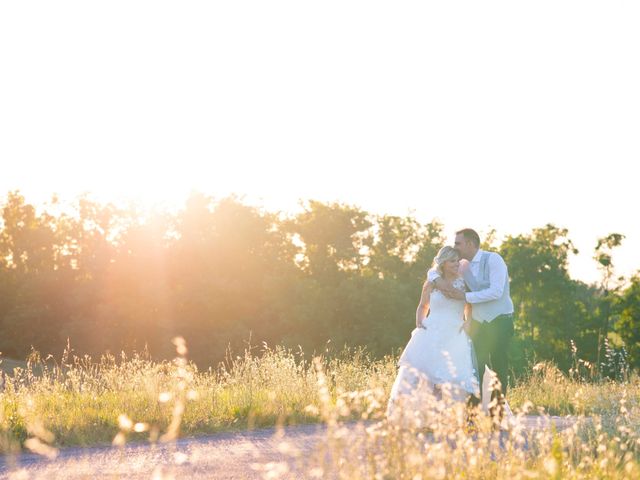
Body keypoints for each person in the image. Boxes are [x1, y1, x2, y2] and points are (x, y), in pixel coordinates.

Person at [429, 229, 514, 415]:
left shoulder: (494, 260)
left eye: (458, 243)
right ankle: (473, 416)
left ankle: (496, 416)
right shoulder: (462, 265)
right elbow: (436, 269)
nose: (455, 247)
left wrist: (465, 295)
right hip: (477, 323)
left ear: (470, 243)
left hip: (500, 321)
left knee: (499, 367)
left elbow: (496, 292)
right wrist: (435, 277)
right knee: (473, 369)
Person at [387, 246, 479, 416]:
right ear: (443, 263)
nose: (456, 264)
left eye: (458, 261)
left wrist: (468, 323)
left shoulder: (464, 282)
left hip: (455, 334)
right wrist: (419, 321)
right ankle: (418, 417)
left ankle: (453, 418)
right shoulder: (432, 283)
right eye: (452, 261)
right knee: (424, 376)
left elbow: (469, 306)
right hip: (432, 332)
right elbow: (423, 305)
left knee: (453, 377)